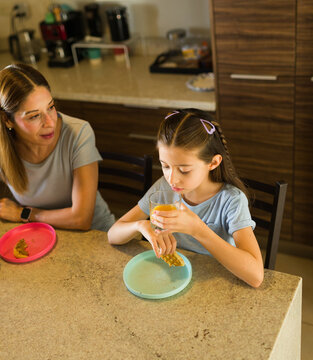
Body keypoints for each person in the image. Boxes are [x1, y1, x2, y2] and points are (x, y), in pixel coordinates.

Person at [107, 109, 264, 288]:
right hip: (171, 278)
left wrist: (198, 230)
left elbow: (256, 276)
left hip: (211, 286)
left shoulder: (232, 201)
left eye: (184, 170)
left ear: (213, 163)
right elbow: (113, 235)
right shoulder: (164, 188)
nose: (172, 178)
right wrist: (141, 225)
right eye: (165, 166)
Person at [0, 63, 115, 241]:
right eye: (34, 116)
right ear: (7, 120)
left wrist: (24, 214)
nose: (50, 122)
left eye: (50, 107)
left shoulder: (78, 133)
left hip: (96, 235)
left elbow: (81, 219)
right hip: (40, 238)